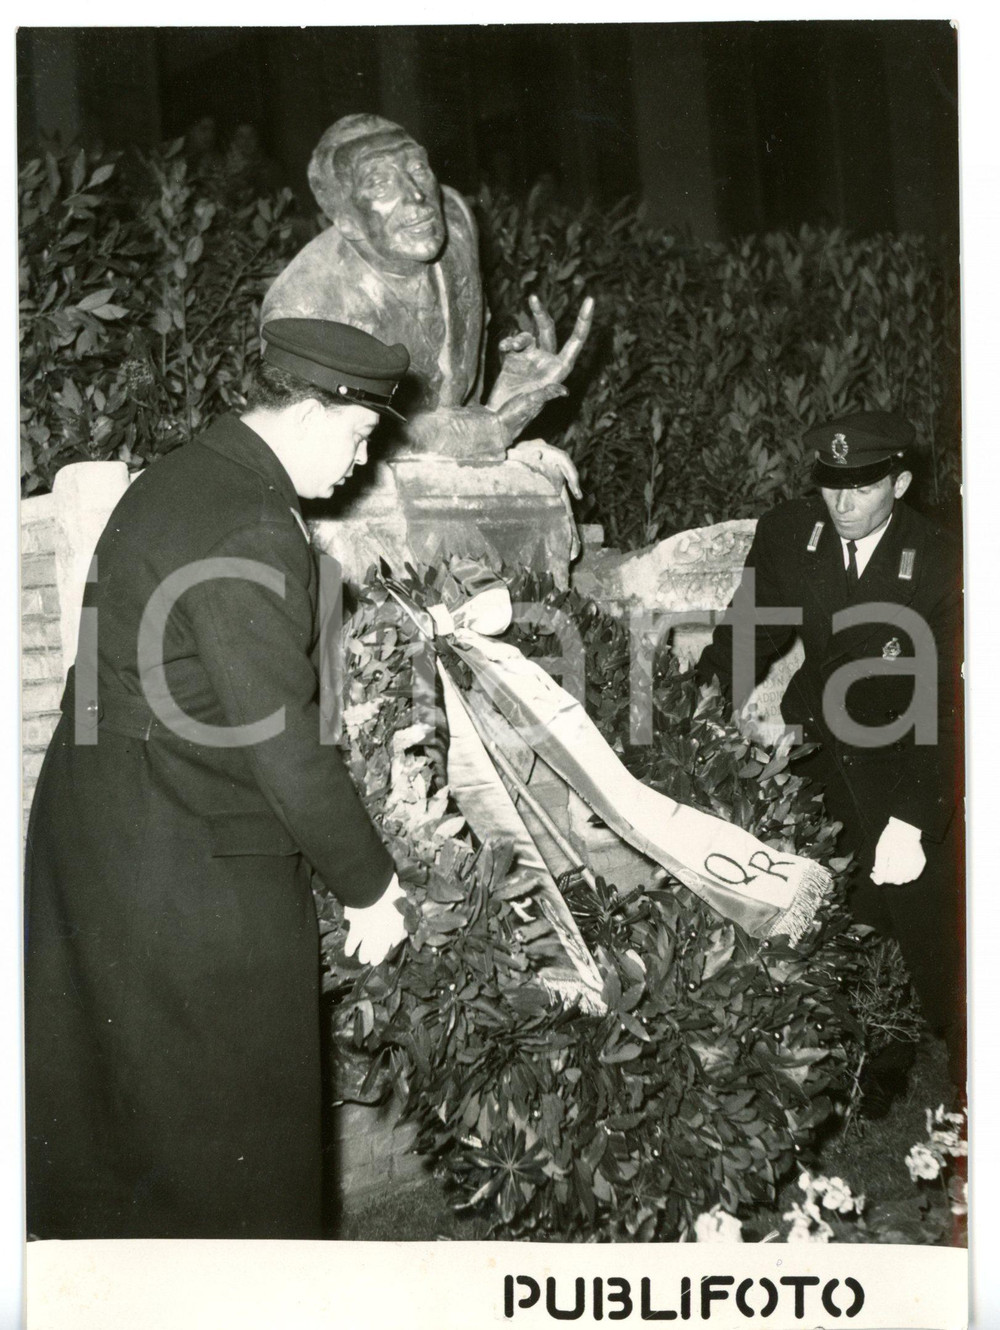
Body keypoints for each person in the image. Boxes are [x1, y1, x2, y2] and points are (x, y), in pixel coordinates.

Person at [24, 319, 412, 1239]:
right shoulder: (250, 522)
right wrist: (371, 887)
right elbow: (282, 743)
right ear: (310, 414)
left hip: (107, 833)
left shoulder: (179, 477)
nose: (362, 462)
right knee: (232, 1142)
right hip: (185, 861)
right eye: (359, 436)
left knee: (123, 1136)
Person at [697, 411, 964, 1102]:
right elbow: (745, 636)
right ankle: (861, 1052)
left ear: (899, 483)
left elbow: (951, 705)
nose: (843, 504)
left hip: (909, 758)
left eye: (863, 487)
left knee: (936, 942)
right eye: (831, 485)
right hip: (818, 744)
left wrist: (915, 816)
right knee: (828, 911)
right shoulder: (793, 532)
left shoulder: (944, 560)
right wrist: (691, 713)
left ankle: (960, 1083)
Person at [261, 113, 592, 490]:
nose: (418, 197)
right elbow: (343, 446)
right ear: (347, 220)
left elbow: (452, 403)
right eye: (379, 182)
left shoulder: (456, 222)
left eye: (418, 168)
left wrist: (503, 400)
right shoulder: (304, 308)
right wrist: (491, 431)